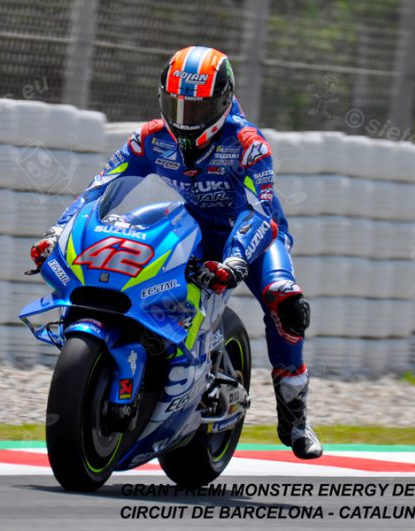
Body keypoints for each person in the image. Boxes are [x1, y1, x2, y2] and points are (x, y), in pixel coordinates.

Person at [30, 46, 322, 459]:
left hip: (255, 235)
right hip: (195, 225)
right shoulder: (151, 138)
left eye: (198, 108)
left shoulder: (249, 145)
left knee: (286, 303)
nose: (185, 119)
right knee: (131, 235)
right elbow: (102, 187)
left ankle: (295, 417)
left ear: (223, 102)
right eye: (176, 105)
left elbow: (261, 214)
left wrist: (236, 260)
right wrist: (58, 232)